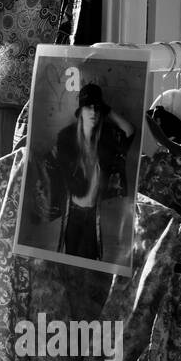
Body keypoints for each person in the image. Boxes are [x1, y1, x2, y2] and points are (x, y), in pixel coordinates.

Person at [41, 83, 134, 261]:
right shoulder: (67, 138)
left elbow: (129, 131)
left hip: (95, 212)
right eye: (88, 107)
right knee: (70, 258)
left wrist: (107, 110)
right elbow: (49, 165)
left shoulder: (107, 137)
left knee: (91, 260)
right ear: (81, 111)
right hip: (73, 211)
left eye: (97, 109)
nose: (93, 112)